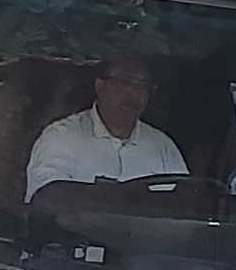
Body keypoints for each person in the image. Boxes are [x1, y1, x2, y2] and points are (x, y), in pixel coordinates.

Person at [22, 55, 188, 203]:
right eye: (125, 82)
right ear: (100, 86)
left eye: (142, 86)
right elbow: (45, 203)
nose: (134, 93)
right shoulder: (61, 137)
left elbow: (185, 205)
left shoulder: (163, 147)